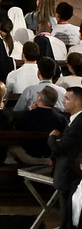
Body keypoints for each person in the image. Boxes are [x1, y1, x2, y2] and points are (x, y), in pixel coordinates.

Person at [48, 86, 82, 229]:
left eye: (67, 99)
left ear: (78, 102)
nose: (63, 101)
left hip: (69, 172)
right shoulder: (75, 119)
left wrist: (52, 138)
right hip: (67, 171)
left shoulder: (79, 122)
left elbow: (60, 148)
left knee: (68, 214)